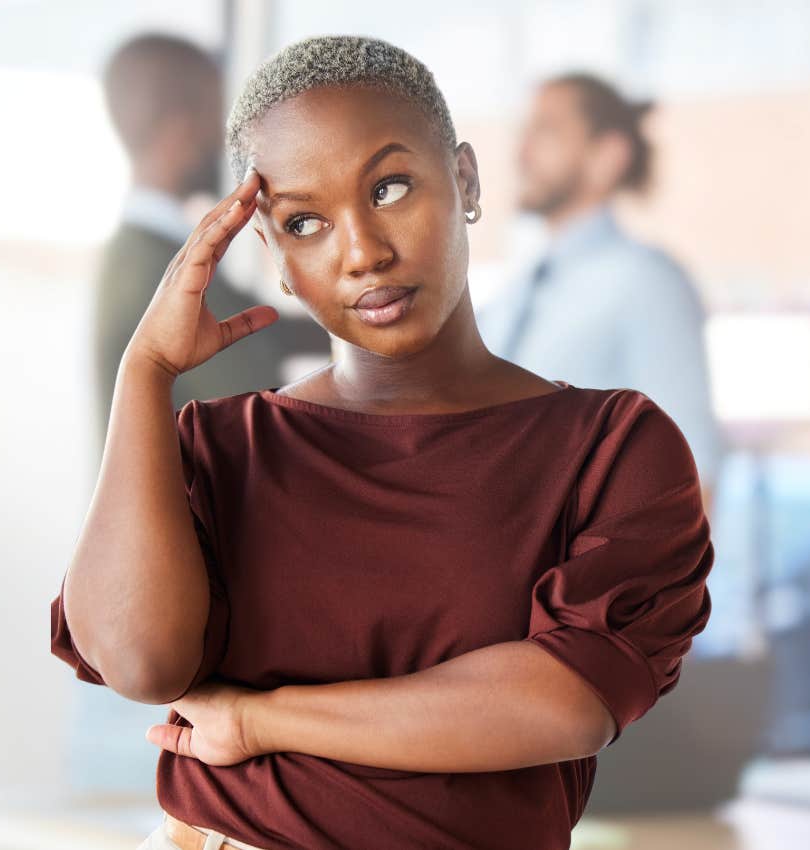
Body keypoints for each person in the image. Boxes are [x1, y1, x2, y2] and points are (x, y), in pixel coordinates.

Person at [51, 35, 715, 850]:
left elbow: (563, 704)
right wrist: (144, 372)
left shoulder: (611, 447)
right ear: (276, 257)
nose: (363, 251)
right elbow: (141, 666)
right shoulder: (221, 449)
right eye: (305, 221)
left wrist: (260, 722)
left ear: (465, 180)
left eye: (391, 187)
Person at [476, 72, 724, 517]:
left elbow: (692, 484)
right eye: (524, 132)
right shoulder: (515, 292)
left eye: (547, 131)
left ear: (607, 156)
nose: (523, 152)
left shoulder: (646, 283)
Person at [94, 32, 331, 461]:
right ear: (183, 130)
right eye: (219, 117)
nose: (232, 145)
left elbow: (264, 330)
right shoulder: (165, 274)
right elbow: (258, 413)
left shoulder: (144, 254)